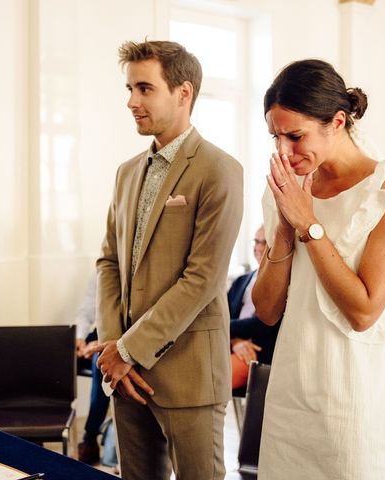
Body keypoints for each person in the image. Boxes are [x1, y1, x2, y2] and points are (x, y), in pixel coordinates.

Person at [251, 59, 385, 480]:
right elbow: (266, 309)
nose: (283, 151)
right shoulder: (285, 186)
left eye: (295, 136)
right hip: (293, 395)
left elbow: (364, 311)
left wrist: (308, 225)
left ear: (337, 121)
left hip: (355, 401)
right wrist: (283, 227)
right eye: (275, 136)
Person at [93, 40, 243, 480]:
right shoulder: (126, 172)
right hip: (125, 374)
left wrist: (128, 349)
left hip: (189, 372)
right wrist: (113, 346)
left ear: (183, 93)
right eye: (129, 88)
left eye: (144, 88)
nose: (131, 101)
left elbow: (203, 279)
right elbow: (108, 263)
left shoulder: (219, 169)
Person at [229, 226, 280, 389]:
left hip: (258, 355)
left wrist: (223, 328)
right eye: (256, 242)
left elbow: (265, 324)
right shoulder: (241, 281)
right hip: (230, 346)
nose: (258, 248)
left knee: (208, 380)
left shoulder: (284, 284)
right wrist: (234, 340)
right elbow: (221, 315)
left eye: (264, 243)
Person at [74, 275, 113, 466]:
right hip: (101, 331)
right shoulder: (100, 271)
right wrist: (80, 339)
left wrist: (99, 344)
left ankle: (90, 438)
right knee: (61, 352)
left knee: (101, 362)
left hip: (120, 334)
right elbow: (86, 312)